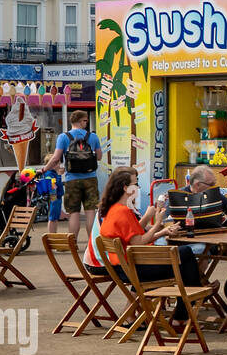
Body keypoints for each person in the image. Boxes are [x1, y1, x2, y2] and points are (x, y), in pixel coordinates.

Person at [91, 168, 207, 326]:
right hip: (134, 271)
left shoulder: (113, 209)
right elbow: (138, 242)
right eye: (135, 183)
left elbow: (134, 234)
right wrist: (158, 223)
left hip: (123, 268)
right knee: (185, 256)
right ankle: (191, 303)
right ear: (126, 188)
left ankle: (184, 311)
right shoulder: (123, 211)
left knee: (182, 259)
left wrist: (160, 229)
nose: (138, 187)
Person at [42, 110, 102, 239]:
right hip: (90, 178)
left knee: (74, 213)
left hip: (72, 179)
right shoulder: (92, 137)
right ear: (81, 121)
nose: (86, 123)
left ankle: (73, 243)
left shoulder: (63, 137)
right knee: (90, 212)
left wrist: (44, 169)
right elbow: (99, 157)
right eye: (85, 120)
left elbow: (55, 158)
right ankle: (91, 245)